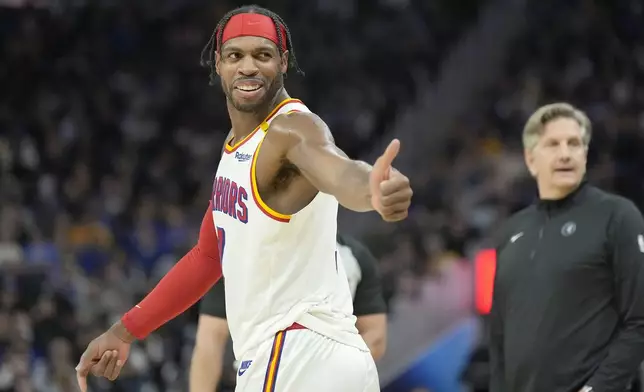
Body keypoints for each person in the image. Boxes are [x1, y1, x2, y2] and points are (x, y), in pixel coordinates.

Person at [75, 5, 413, 392]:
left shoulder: (292, 128)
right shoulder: (238, 148)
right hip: (321, 358)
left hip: (294, 353)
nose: (248, 67)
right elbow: (207, 256)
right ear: (218, 64)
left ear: (283, 62)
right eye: (236, 55)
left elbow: (337, 169)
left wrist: (373, 187)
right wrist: (124, 331)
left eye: (263, 55)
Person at [489, 102, 644, 392]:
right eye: (553, 144)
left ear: (585, 154)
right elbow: (499, 339)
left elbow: (639, 321)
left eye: (574, 144)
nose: (565, 154)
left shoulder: (617, 216)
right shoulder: (509, 232)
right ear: (530, 158)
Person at [190, 233, 389, 392]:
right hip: (334, 374)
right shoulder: (352, 256)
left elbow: (210, 339)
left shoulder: (239, 254)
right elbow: (375, 338)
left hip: (262, 373)